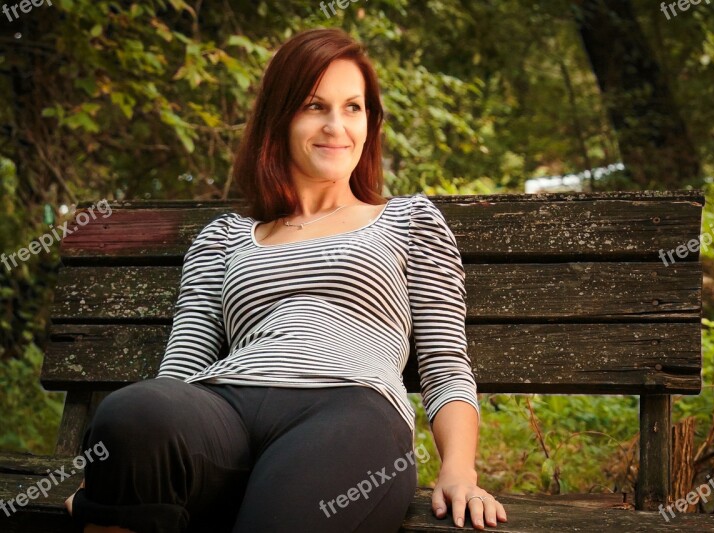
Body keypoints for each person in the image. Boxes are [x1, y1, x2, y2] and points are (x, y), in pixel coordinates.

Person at [64, 27, 508, 532]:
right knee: (134, 413)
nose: (336, 126)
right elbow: (183, 367)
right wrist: (122, 464)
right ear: (280, 116)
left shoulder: (409, 220)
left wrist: (458, 469)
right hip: (225, 406)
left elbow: (445, 363)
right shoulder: (224, 237)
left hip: (348, 410)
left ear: (370, 121)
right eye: (314, 106)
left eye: (353, 107)